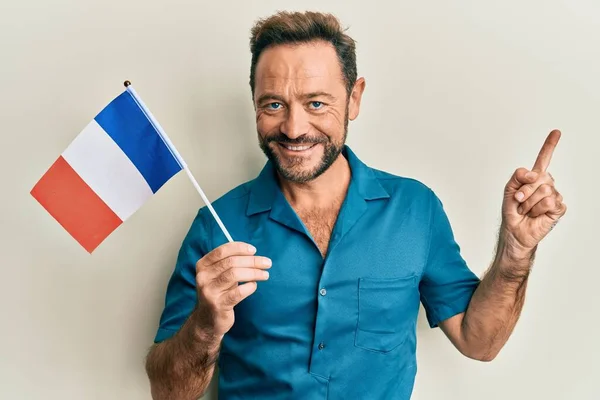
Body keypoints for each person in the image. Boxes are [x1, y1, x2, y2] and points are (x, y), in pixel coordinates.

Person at [144, 10, 567, 400]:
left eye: (316, 103)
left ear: (355, 98)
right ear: (254, 101)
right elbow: (168, 392)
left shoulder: (415, 209)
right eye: (273, 104)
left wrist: (516, 251)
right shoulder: (216, 226)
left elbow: (480, 342)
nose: (293, 128)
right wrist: (204, 325)